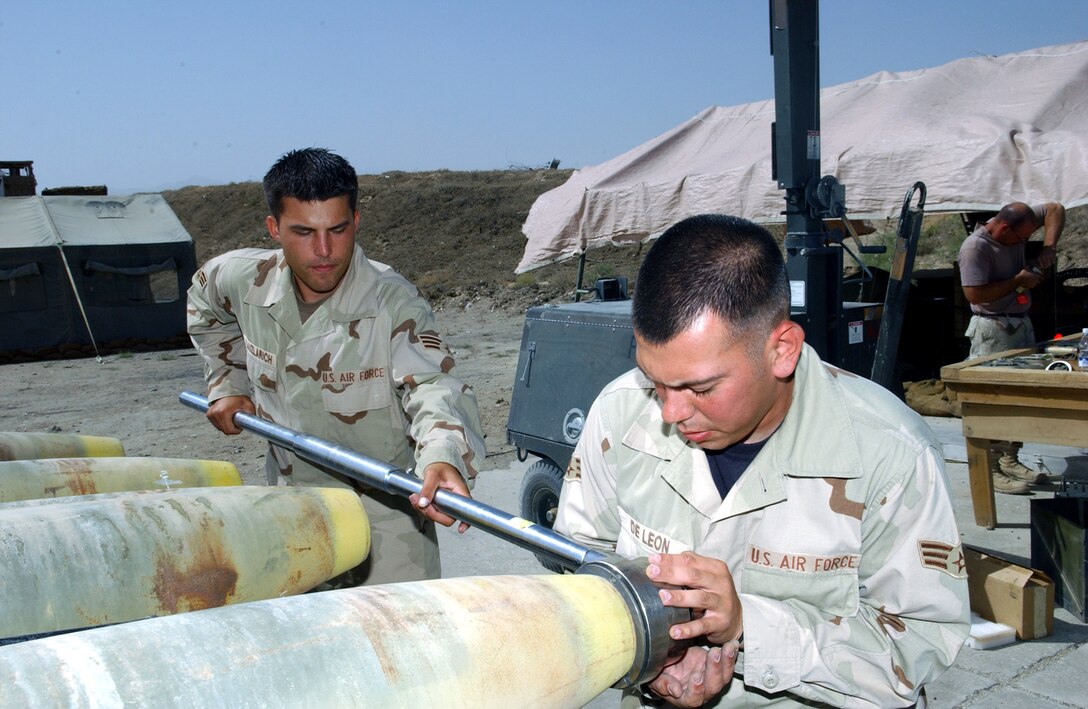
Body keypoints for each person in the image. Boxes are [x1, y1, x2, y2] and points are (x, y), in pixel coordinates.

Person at [555, 214, 968, 708]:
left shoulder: (890, 453)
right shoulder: (621, 412)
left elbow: (917, 644)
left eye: (701, 388)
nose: (670, 411)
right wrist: (651, 659)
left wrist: (746, 625)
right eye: (655, 380)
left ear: (782, 351)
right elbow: (580, 562)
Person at [187, 147, 485, 586]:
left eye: (338, 229)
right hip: (292, 515)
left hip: (386, 527)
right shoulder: (239, 279)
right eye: (304, 232)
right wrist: (227, 383)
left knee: (399, 643)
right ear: (274, 228)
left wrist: (443, 457)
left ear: (357, 222)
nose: (324, 251)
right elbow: (204, 310)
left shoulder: (392, 301)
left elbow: (431, 385)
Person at [957, 201, 1066, 494]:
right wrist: (1017, 280)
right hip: (992, 328)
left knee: (1017, 397)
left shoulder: (1017, 225)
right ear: (1004, 228)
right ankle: (991, 469)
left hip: (1020, 323)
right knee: (991, 399)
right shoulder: (974, 248)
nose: (1022, 243)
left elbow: (1055, 208)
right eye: (1020, 238)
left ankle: (1009, 458)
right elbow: (974, 292)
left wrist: (1049, 247)